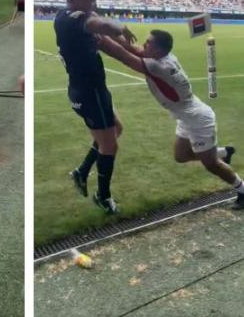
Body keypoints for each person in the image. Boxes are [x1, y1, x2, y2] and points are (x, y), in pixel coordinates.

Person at [98, 29, 244, 209]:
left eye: (148, 42)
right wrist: (109, 28)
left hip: (198, 119)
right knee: (181, 156)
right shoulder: (163, 57)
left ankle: (242, 189)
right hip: (187, 115)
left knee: (212, 165)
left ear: (158, 51)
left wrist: (97, 35)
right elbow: (132, 48)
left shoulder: (159, 67)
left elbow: (123, 55)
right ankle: (224, 153)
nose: (144, 44)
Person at [55, 0, 136, 215]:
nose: (94, 3)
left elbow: (112, 43)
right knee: (110, 145)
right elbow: (107, 27)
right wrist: (121, 26)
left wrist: (137, 53)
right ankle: (103, 196)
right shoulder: (75, 18)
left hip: (89, 90)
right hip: (90, 93)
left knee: (115, 130)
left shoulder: (69, 18)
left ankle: (81, 172)